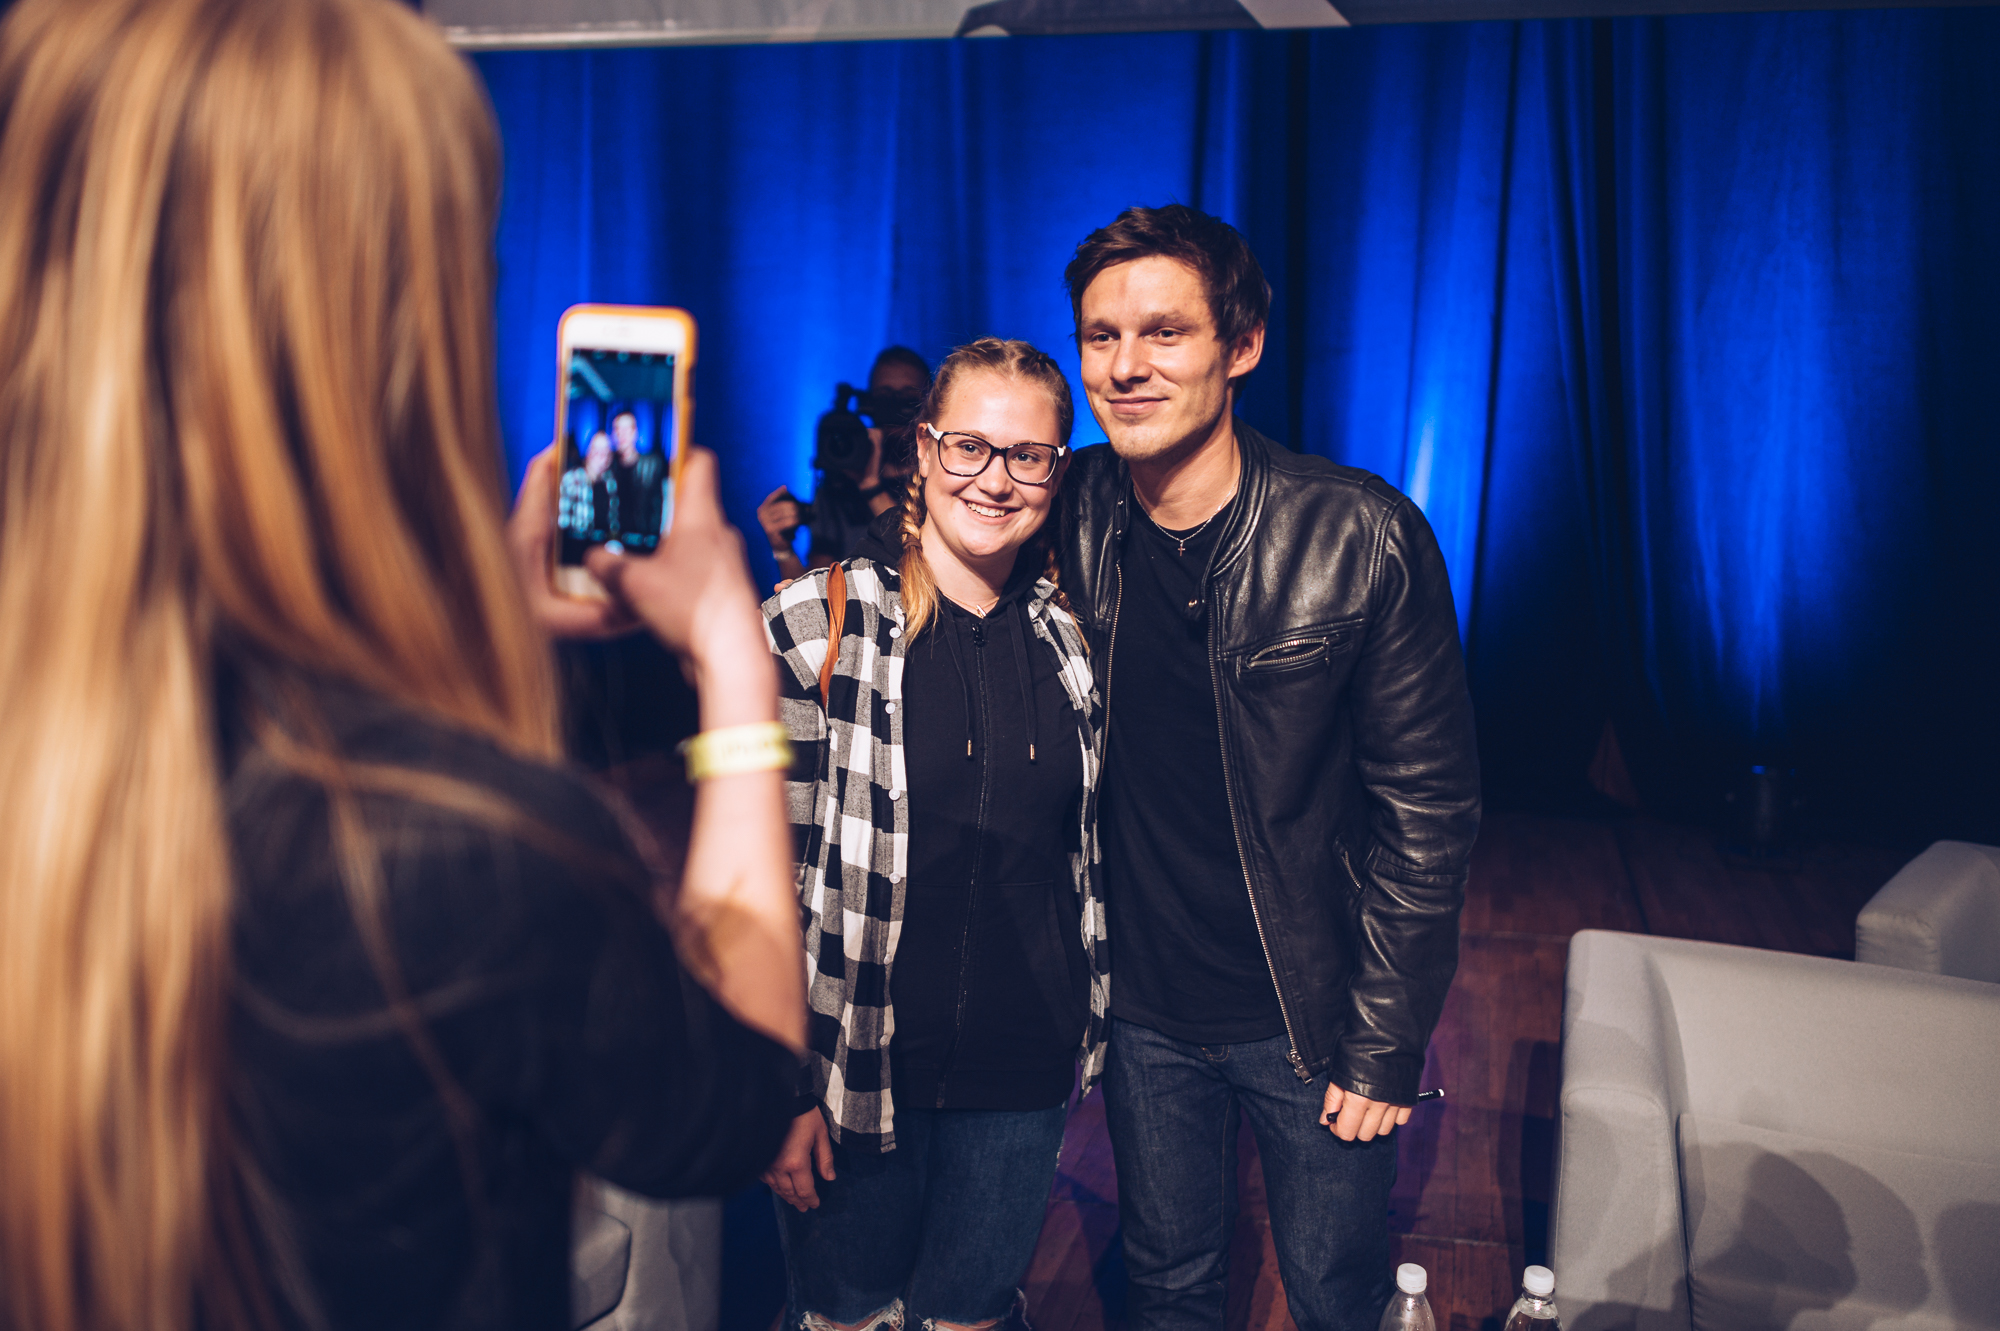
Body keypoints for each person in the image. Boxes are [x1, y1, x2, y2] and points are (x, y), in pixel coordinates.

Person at [0, 3, 805, 1331]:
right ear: (388, 326)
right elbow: (736, 1095)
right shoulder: (465, 853)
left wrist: (477, 624)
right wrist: (732, 660)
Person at [1053, 204, 1481, 1331]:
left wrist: (1382, 1043)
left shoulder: (1360, 534)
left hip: (1310, 1015)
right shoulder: (1071, 509)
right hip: (1141, 1010)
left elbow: (1428, 814)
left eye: (1164, 332)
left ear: (1240, 346)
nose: (1125, 366)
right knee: (1168, 1286)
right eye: (1100, 336)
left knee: (1331, 1292)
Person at [760, 339, 1107, 1331]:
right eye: (968, 446)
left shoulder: (1074, 641)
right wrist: (779, 1088)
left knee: (970, 1318)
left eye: (1026, 455)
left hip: (1020, 1073)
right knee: (845, 1317)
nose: (994, 479)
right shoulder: (814, 624)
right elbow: (764, 883)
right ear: (923, 448)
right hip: (853, 1071)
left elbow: (1084, 863)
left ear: (1057, 470)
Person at [759, 346, 931, 582]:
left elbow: (924, 560)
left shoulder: (940, 478)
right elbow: (819, 591)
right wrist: (782, 549)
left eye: (908, 399)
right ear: (869, 403)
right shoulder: (840, 481)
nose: (894, 409)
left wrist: (870, 487)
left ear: (929, 405)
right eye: (884, 398)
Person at [610, 408, 668, 546]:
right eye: (618, 429)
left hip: (644, 542)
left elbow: (659, 507)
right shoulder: (608, 466)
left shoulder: (652, 465)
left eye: (627, 429)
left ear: (635, 432)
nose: (622, 434)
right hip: (614, 541)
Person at [561, 428, 620, 542]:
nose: (601, 456)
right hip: (576, 546)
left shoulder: (611, 483)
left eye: (605, 451)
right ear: (588, 452)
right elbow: (563, 526)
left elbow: (614, 525)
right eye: (596, 450)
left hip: (604, 548)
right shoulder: (571, 480)